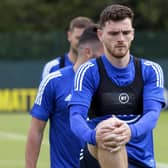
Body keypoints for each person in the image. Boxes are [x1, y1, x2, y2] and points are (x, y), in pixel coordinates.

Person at [69, 4, 165, 168]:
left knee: (113, 132)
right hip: (98, 152)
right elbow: (75, 116)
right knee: (109, 132)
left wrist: (130, 131)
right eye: (113, 33)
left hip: (140, 158)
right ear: (100, 35)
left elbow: (152, 114)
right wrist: (93, 136)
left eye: (126, 32)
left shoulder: (150, 70)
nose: (120, 38)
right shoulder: (89, 71)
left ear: (133, 34)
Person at [25, 25, 104, 168]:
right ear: (88, 53)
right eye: (104, 57)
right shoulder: (53, 81)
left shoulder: (111, 83)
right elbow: (36, 130)